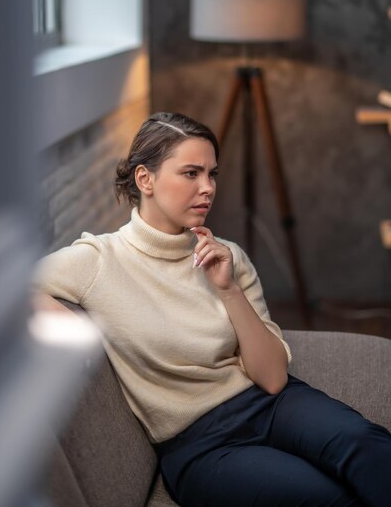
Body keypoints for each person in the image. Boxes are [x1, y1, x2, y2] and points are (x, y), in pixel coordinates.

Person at [33, 112, 391, 507]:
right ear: (144, 179)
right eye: (191, 173)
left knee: (369, 447)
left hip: (270, 403)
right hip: (200, 445)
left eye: (212, 174)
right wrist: (55, 313)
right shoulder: (98, 261)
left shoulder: (228, 256)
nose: (207, 188)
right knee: (326, 499)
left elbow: (272, 379)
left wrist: (228, 289)